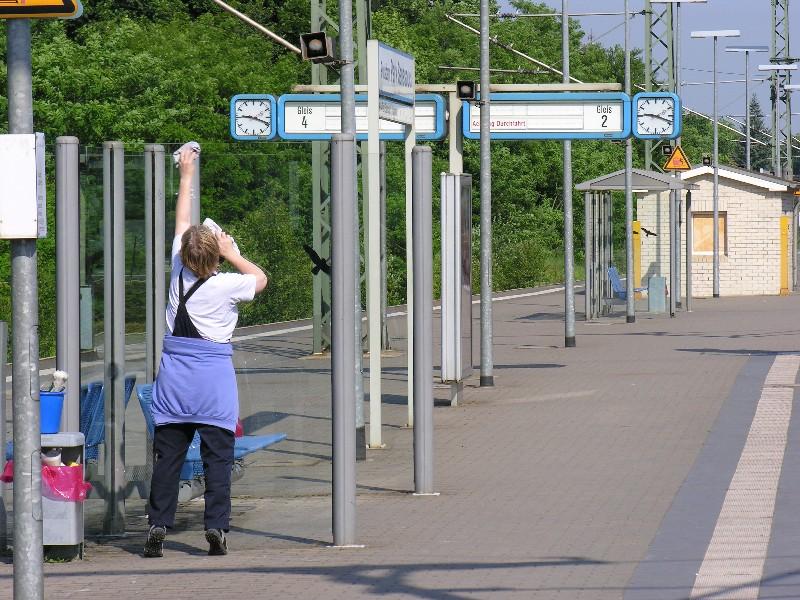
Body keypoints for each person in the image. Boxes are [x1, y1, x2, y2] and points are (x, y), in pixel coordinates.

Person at [143, 146, 268, 558]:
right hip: (214, 385)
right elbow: (261, 279)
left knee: (168, 459)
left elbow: (182, 220)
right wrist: (232, 252)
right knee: (218, 460)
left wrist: (186, 173)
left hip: (175, 382)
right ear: (214, 255)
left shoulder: (178, 273)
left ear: (183, 255)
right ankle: (216, 528)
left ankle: (158, 524)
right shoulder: (227, 284)